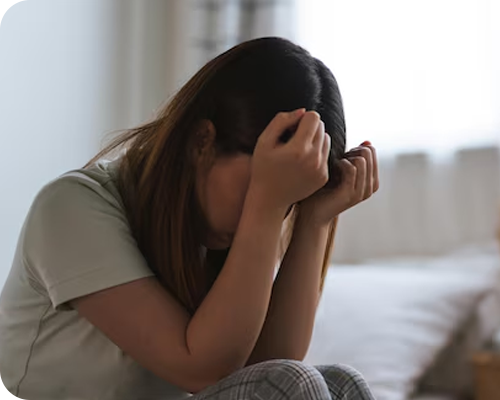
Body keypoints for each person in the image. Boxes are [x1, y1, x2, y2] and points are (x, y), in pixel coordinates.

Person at [0, 37, 378, 400]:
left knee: (341, 384)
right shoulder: (71, 208)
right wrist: (265, 206)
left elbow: (266, 368)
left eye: (287, 200)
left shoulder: (207, 234)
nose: (271, 209)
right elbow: (203, 370)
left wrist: (315, 221)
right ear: (202, 141)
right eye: (258, 187)